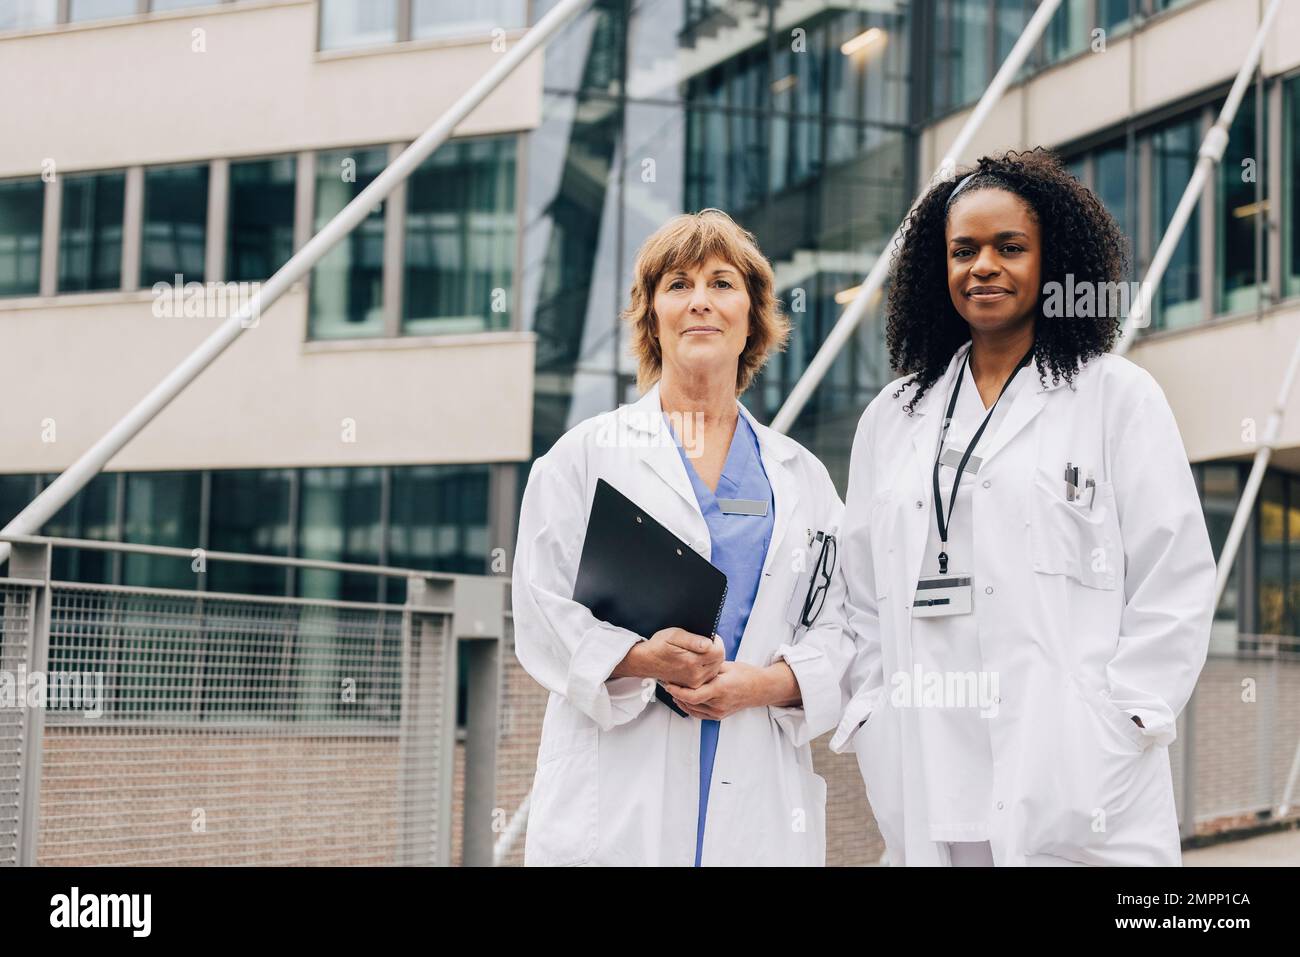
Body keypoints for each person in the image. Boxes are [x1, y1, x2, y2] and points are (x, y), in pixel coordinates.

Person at [831, 147, 1215, 866]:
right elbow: (858, 596)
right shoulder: (893, 418)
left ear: (1054, 261)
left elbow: (1175, 575)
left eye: (1011, 247)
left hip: (1076, 772)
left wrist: (1125, 716)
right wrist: (875, 711)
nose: (983, 266)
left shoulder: (1116, 397)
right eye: (963, 250)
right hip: (929, 761)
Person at [512, 209, 851, 866]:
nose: (700, 300)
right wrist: (640, 658)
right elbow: (540, 607)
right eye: (678, 284)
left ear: (752, 316)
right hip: (618, 794)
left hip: (755, 789)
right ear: (651, 314)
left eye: (722, 283)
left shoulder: (802, 477)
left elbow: (842, 631)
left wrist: (760, 684)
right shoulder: (583, 456)